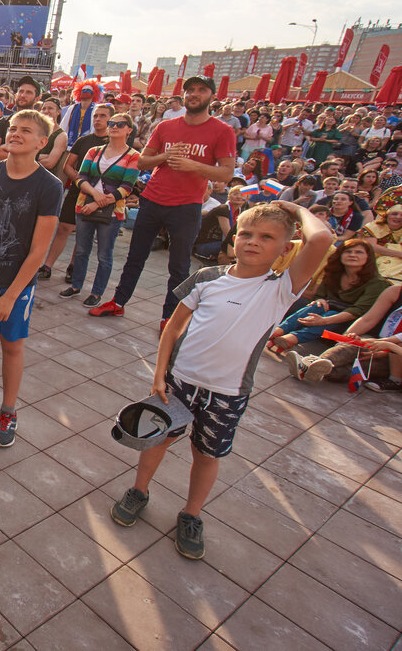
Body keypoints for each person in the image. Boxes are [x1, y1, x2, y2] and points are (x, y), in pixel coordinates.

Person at [110, 201, 332, 560]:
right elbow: (173, 329)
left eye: (267, 237)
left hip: (228, 394)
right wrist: (159, 376)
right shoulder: (207, 278)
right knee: (157, 440)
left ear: (285, 248)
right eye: (245, 233)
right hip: (179, 384)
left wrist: (291, 208)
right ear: (233, 238)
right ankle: (139, 491)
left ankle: (192, 514)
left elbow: (321, 238)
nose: (253, 242)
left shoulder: (280, 288)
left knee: (206, 454)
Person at [90, 77, 237, 331]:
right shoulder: (166, 126)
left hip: (187, 206)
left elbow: (226, 174)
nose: (194, 94)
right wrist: (165, 157)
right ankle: (118, 301)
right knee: (135, 257)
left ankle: (170, 318)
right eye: (190, 90)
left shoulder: (222, 131)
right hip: (153, 200)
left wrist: (194, 165)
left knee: (179, 266)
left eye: (201, 90)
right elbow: (143, 162)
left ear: (211, 96)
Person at [0, 109, 62, 448]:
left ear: (42, 142)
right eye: (13, 128)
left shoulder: (49, 186)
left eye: (26, 131)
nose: (15, 134)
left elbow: (38, 252)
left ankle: (7, 411)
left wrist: (10, 295)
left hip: (15, 283)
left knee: (12, 346)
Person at [61, 112, 140, 306]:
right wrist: (94, 195)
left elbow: (127, 186)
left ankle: (96, 293)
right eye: (112, 123)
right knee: (81, 250)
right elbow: (80, 177)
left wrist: (97, 202)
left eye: (120, 124)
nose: (114, 126)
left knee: (104, 254)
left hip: (112, 212)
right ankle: (76, 285)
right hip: (85, 205)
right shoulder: (94, 151)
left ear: (129, 130)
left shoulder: (134, 156)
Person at [267, 238, 387, 353]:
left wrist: (324, 320)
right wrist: (320, 300)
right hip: (326, 310)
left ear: (368, 257)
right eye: (348, 251)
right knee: (317, 306)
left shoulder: (377, 283)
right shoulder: (334, 272)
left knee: (331, 314)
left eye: (359, 252)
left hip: (352, 323)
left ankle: (291, 339)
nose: (352, 255)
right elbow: (319, 295)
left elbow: (358, 311)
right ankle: (278, 331)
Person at [40, 103, 114, 281]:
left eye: (103, 116)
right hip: (77, 190)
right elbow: (68, 166)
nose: (97, 119)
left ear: (111, 119)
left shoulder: (113, 143)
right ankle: (47, 265)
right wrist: (81, 182)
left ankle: (74, 266)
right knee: (64, 228)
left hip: (100, 195)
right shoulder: (84, 141)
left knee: (84, 232)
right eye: (95, 116)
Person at [285, 283, 402, 390]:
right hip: (377, 341)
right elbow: (368, 319)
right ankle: (311, 363)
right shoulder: (396, 291)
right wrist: (347, 338)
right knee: (352, 345)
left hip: (395, 357)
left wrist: (386, 347)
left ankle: (306, 367)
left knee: (336, 372)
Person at [59, 81, 99, 145]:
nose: (85, 92)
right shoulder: (73, 108)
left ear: (93, 94)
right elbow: (64, 125)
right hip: (70, 144)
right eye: (83, 90)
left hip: (87, 144)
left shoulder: (96, 108)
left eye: (88, 90)